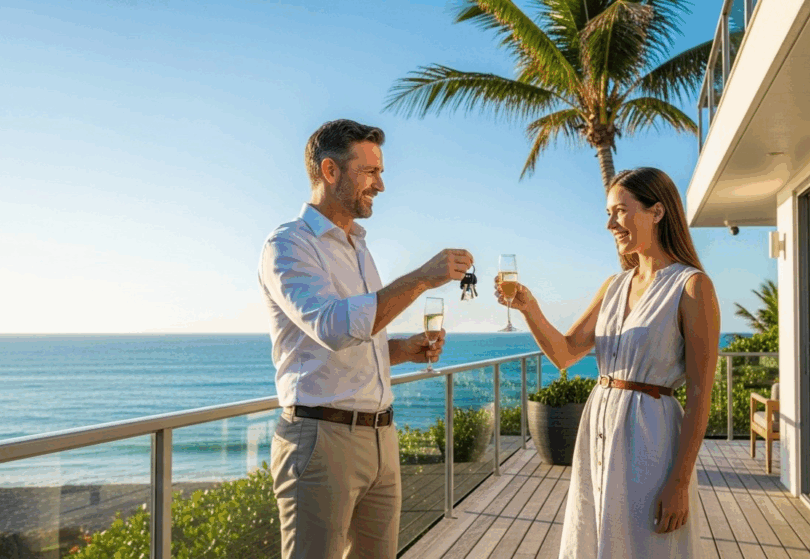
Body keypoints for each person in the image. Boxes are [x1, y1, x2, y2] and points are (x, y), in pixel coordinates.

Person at [258, 119, 474, 559]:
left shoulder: (359, 247)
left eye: (380, 171)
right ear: (330, 171)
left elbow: (355, 342)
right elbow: (333, 327)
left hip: (381, 436)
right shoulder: (288, 245)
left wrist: (400, 351)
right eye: (370, 171)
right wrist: (420, 279)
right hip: (322, 441)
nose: (381, 184)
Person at [495, 167, 720, 557]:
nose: (610, 224)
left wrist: (679, 483)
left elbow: (701, 393)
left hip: (651, 437)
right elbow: (564, 353)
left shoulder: (692, 286)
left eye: (619, 211)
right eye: (608, 213)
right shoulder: (614, 286)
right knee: (594, 537)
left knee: (647, 544)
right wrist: (528, 307)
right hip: (598, 430)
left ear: (657, 212)